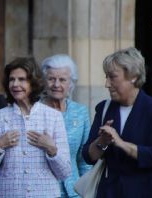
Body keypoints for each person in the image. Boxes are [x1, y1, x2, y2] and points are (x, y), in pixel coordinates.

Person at [0, 57, 71, 197]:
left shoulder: (54, 117)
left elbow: (65, 172)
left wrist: (52, 149)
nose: (15, 84)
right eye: (12, 79)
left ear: (34, 82)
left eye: (22, 79)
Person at [82, 47, 152, 197]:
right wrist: (101, 142)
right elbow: (88, 156)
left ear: (133, 77)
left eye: (112, 77)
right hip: (109, 192)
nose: (107, 84)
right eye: (106, 77)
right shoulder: (104, 108)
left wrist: (122, 144)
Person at [41, 54, 91, 197]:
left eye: (62, 80)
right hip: (44, 191)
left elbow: (84, 159)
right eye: (51, 79)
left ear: (71, 83)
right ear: (44, 81)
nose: (56, 85)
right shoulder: (34, 111)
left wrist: (86, 191)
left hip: (74, 191)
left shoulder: (80, 112)